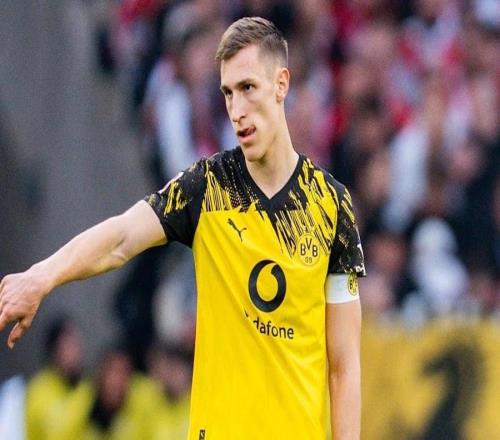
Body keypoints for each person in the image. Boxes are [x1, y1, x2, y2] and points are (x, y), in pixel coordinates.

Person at [0, 17, 365, 439]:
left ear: (281, 84)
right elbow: (121, 237)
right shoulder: (206, 187)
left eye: (248, 88)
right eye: (227, 93)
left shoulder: (331, 207)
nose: (237, 110)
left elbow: (343, 364)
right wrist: (42, 276)